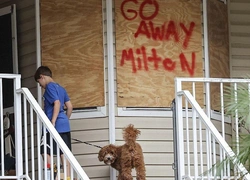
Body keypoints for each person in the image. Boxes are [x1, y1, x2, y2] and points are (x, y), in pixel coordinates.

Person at [34, 66, 73, 180]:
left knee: (44, 152)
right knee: (64, 154)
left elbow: (56, 103)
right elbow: (70, 107)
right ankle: (67, 178)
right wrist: (64, 120)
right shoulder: (61, 88)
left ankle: (55, 175)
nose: (40, 86)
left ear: (42, 77)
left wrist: (53, 121)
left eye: (39, 82)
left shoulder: (49, 87)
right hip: (64, 125)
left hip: (52, 126)